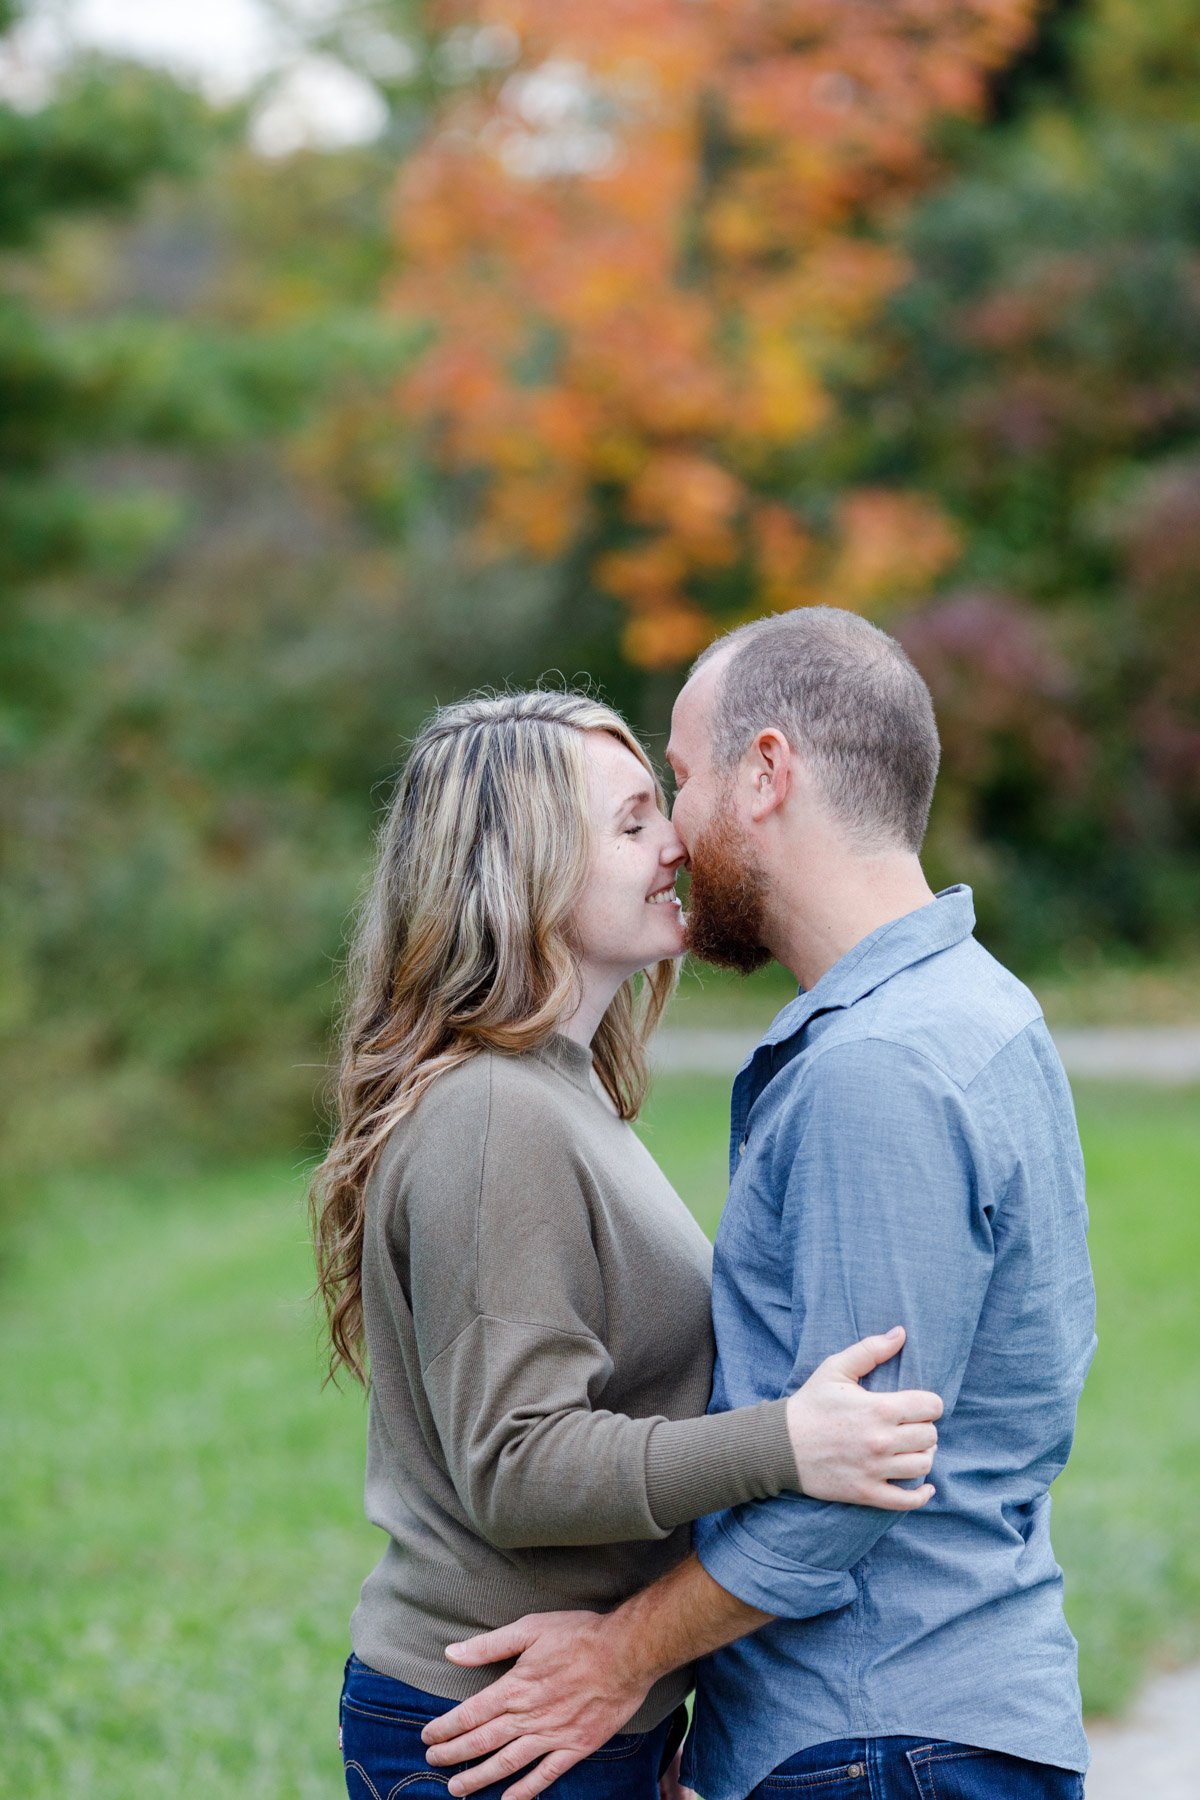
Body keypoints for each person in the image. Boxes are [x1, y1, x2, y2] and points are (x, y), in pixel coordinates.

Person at [422, 611, 1098, 1800]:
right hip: (913, 1724)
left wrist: (621, 1660)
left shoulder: (879, 1066)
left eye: (676, 782)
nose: (674, 836)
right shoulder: (977, 1008)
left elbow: (855, 1485)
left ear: (768, 773)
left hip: (881, 1735)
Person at [310, 687, 946, 1800]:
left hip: (573, 1721)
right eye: (633, 820)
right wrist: (788, 1443)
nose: (679, 845)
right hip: (495, 1726)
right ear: (522, 866)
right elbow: (518, 1463)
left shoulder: (561, 1092)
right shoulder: (495, 1114)